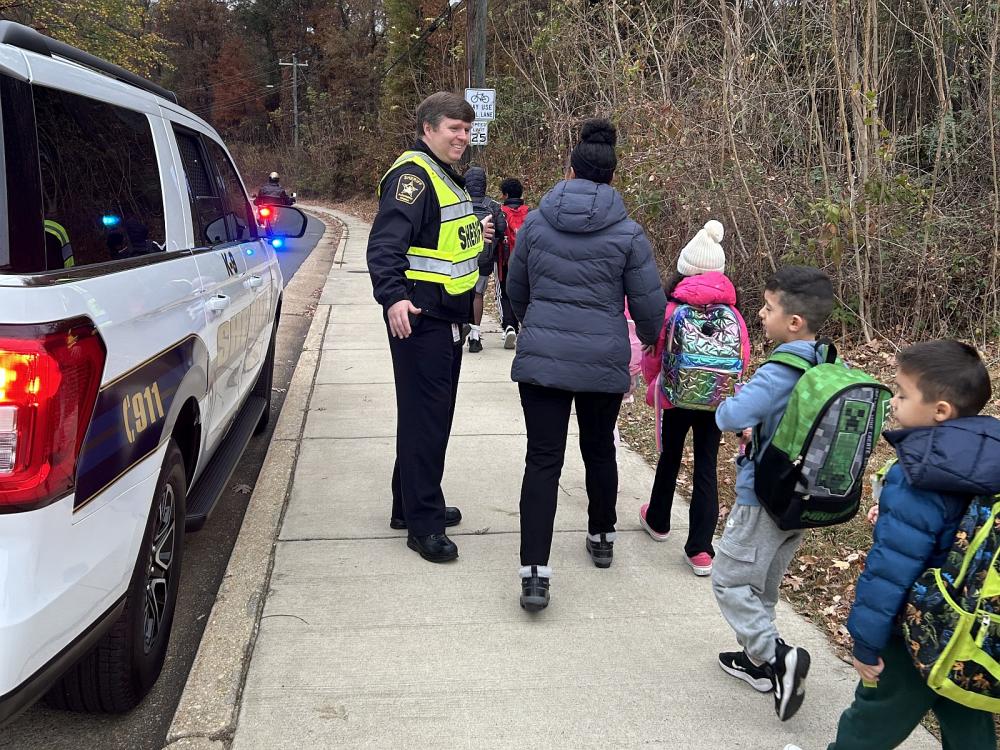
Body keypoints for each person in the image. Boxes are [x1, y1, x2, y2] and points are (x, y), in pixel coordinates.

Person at [784, 341, 1000, 750]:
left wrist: (867, 641)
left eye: (902, 394)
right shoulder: (987, 455)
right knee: (966, 719)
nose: (894, 402)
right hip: (969, 626)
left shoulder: (919, 473)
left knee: (874, 717)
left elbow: (891, 568)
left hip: (915, 627)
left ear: (940, 411)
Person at [507, 118, 666, 611]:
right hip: (601, 360)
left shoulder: (534, 222)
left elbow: (515, 289)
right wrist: (648, 342)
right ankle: (602, 535)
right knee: (599, 450)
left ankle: (535, 573)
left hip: (543, 363)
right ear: (613, 178)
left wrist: (535, 323)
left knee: (542, 459)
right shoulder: (628, 232)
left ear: (569, 169)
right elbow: (649, 309)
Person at [366, 91, 493, 564]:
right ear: (427, 129)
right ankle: (424, 525)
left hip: (445, 317)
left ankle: (413, 503)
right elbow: (385, 247)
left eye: (466, 128)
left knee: (425, 417)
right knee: (427, 420)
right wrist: (394, 297)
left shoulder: (442, 176)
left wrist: (478, 236)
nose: (462, 136)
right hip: (422, 320)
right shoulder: (413, 179)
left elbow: (440, 245)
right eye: (453, 128)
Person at [711, 265, 835, 721]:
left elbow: (730, 415)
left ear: (794, 322)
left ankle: (778, 655)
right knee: (761, 584)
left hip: (761, 496)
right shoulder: (824, 360)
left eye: (767, 307)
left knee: (728, 578)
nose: (761, 315)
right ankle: (758, 664)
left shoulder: (780, 367)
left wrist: (730, 404)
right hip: (802, 497)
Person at [638, 220, 750, 576]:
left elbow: (653, 354)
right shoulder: (733, 314)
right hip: (715, 401)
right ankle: (701, 549)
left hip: (675, 396)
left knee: (670, 456)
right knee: (706, 464)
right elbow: (742, 359)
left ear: (684, 269)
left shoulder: (671, 308)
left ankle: (658, 520)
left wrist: (654, 383)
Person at [464, 165, 506, 353]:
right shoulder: (493, 205)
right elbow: (501, 229)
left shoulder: (459, 202)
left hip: (461, 257)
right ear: (484, 184)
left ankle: (459, 329)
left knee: (461, 293)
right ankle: (475, 335)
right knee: (478, 294)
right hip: (484, 258)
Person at [497, 177, 529, 349]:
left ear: (506, 195)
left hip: (505, 261)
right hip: (526, 262)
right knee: (526, 293)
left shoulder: (500, 212)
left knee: (505, 293)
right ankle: (525, 325)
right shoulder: (530, 212)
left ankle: (509, 326)